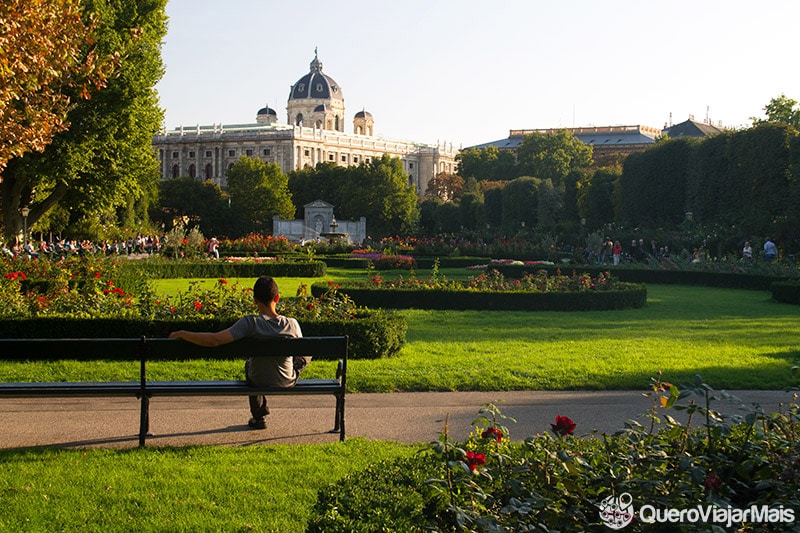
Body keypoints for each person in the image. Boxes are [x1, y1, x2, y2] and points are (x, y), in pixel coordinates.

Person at [169, 276, 308, 430]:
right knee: (304, 355)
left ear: (255, 300)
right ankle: (263, 408)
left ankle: (259, 416)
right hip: (286, 380)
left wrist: (183, 333)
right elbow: (303, 351)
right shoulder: (292, 324)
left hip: (257, 380)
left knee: (249, 364)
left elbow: (214, 340)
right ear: (277, 297)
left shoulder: (249, 323)